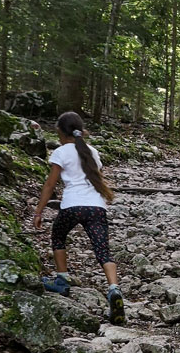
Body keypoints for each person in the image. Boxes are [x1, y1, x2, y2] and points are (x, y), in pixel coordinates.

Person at [33, 111, 125, 325]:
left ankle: (62, 279)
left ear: (61, 132)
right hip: (96, 207)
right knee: (103, 249)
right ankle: (114, 288)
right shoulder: (91, 151)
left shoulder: (61, 152)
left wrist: (39, 211)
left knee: (58, 235)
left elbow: (50, 184)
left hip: (72, 206)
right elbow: (97, 177)